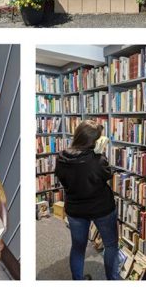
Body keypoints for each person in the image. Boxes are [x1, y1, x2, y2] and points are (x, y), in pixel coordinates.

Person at [55, 120, 119, 280]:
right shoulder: (96, 160)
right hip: (102, 208)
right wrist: (100, 153)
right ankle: (113, 280)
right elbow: (107, 174)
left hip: (75, 210)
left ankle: (78, 281)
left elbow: (63, 178)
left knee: (78, 247)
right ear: (93, 142)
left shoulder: (61, 158)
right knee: (111, 245)